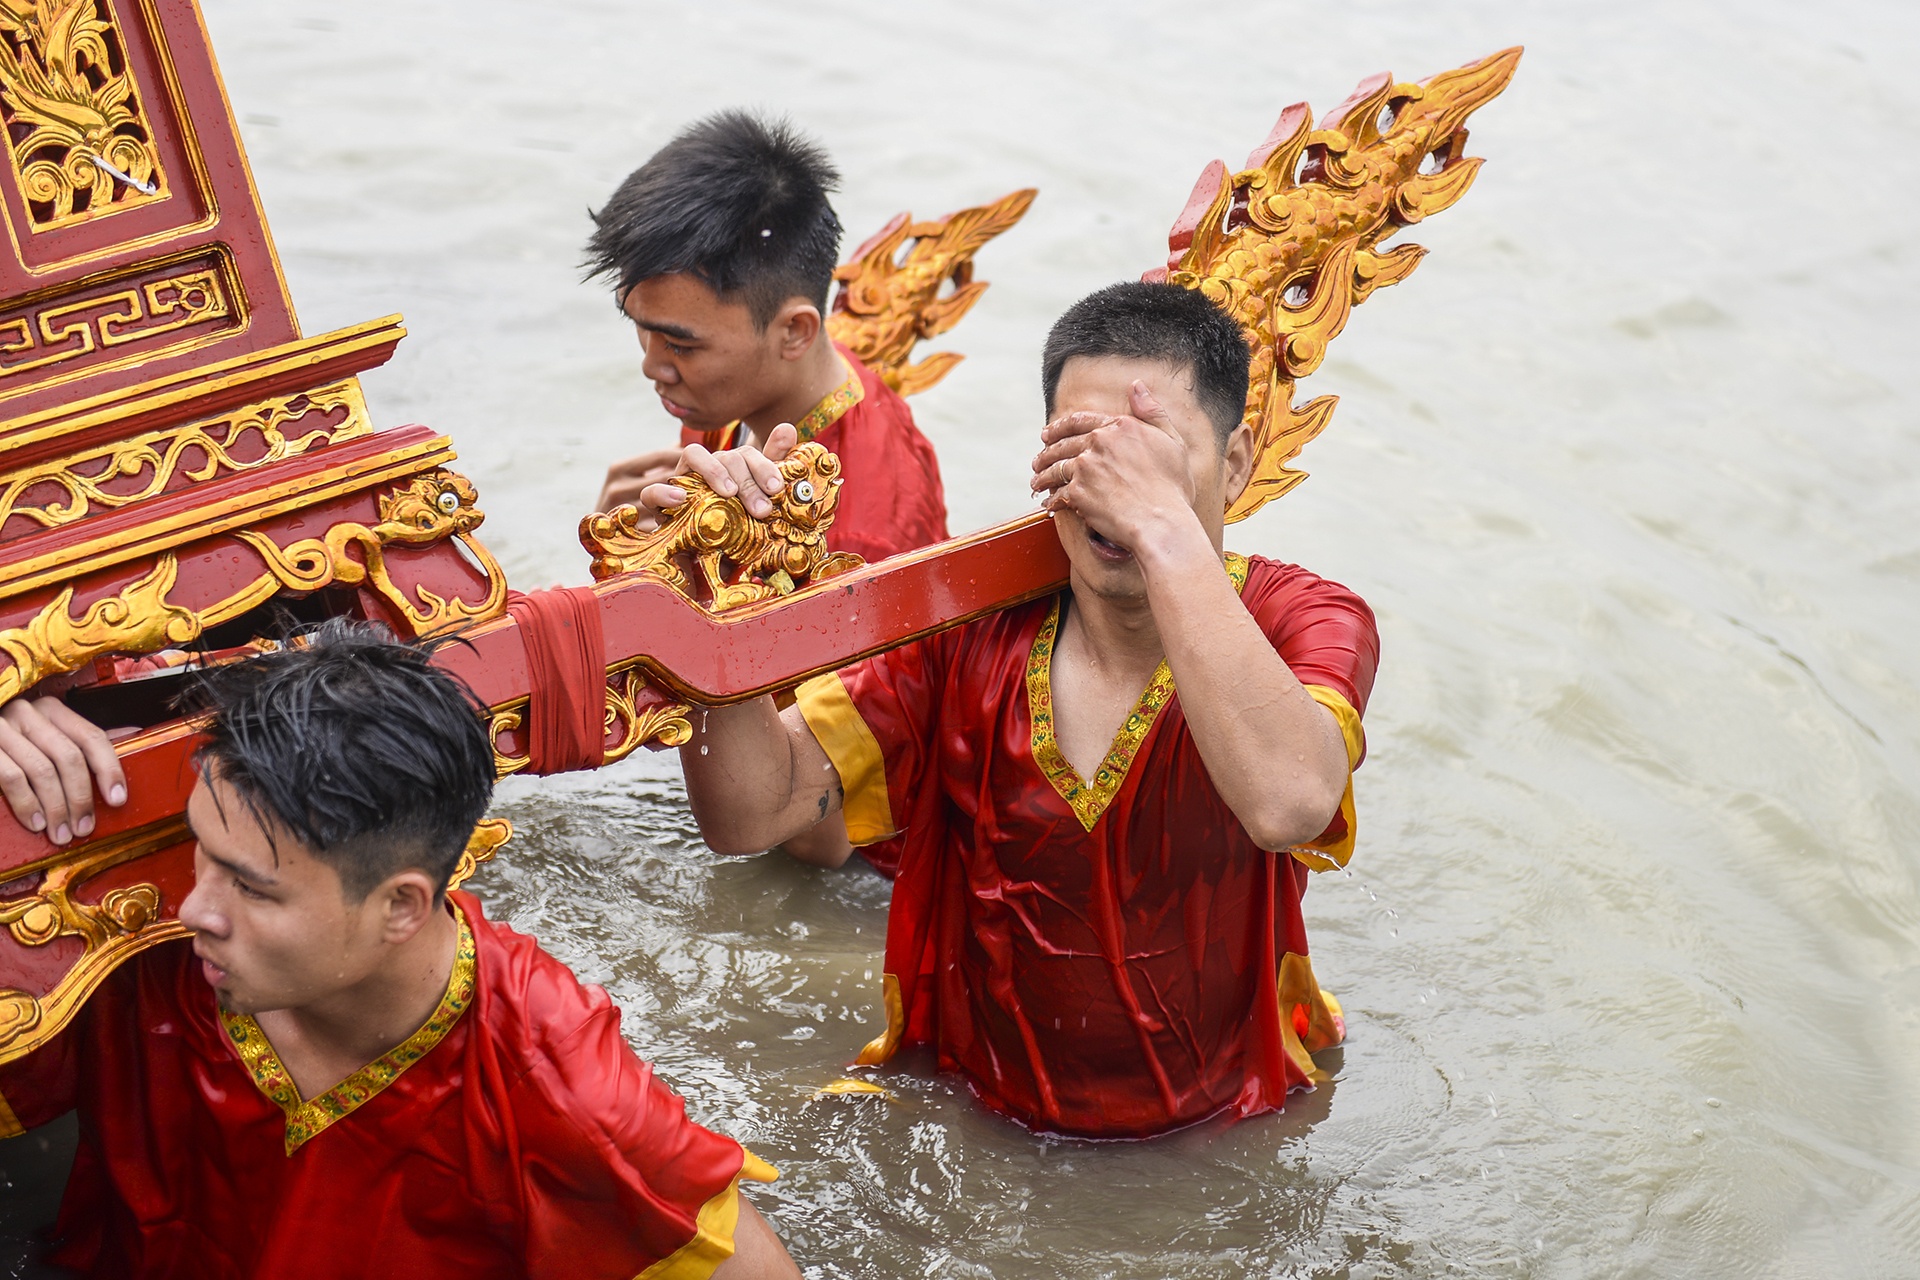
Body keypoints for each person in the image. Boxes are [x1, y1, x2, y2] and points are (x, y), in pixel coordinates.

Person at [669, 282, 1381, 1138]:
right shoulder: (968, 626)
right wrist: (714, 618)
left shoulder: (1305, 618)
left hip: (1228, 1120)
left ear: (1234, 464)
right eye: (1085, 449)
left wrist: (1161, 528)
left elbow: (1289, 803)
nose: (1113, 489)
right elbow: (751, 811)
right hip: (987, 1116)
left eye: (1149, 454)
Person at [0, 621, 799, 1279]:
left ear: (401, 907)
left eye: (251, 889)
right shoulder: (130, 936)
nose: (192, 908)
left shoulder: (552, 1084)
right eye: (199, 855)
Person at [584, 109, 949, 564]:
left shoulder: (857, 547)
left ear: (795, 332)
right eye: (637, 322)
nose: (651, 366)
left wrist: (632, 567)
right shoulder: (739, 390)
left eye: (680, 344)